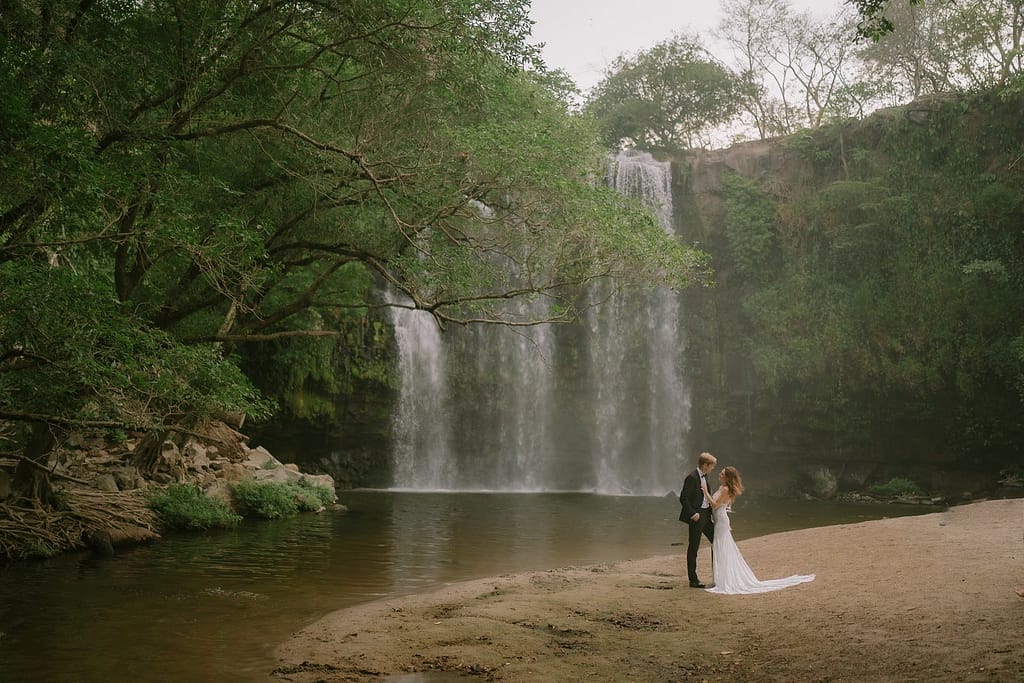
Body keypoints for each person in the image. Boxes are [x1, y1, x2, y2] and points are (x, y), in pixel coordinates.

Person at [701, 466, 815, 594]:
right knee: (720, 549)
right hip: (720, 521)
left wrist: (705, 492)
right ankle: (718, 579)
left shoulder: (726, 489)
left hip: (721, 522)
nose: (719, 475)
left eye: (722, 474)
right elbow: (723, 507)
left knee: (721, 549)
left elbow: (716, 505)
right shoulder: (722, 488)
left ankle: (720, 580)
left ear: (727, 477)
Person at [679, 451, 717, 588]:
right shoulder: (692, 477)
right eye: (712, 466)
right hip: (697, 516)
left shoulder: (704, 477)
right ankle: (693, 580)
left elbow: (705, 497)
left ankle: (718, 574)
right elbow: (683, 498)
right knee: (694, 547)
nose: (713, 468)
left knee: (717, 542)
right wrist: (693, 514)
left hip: (706, 515)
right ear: (705, 465)